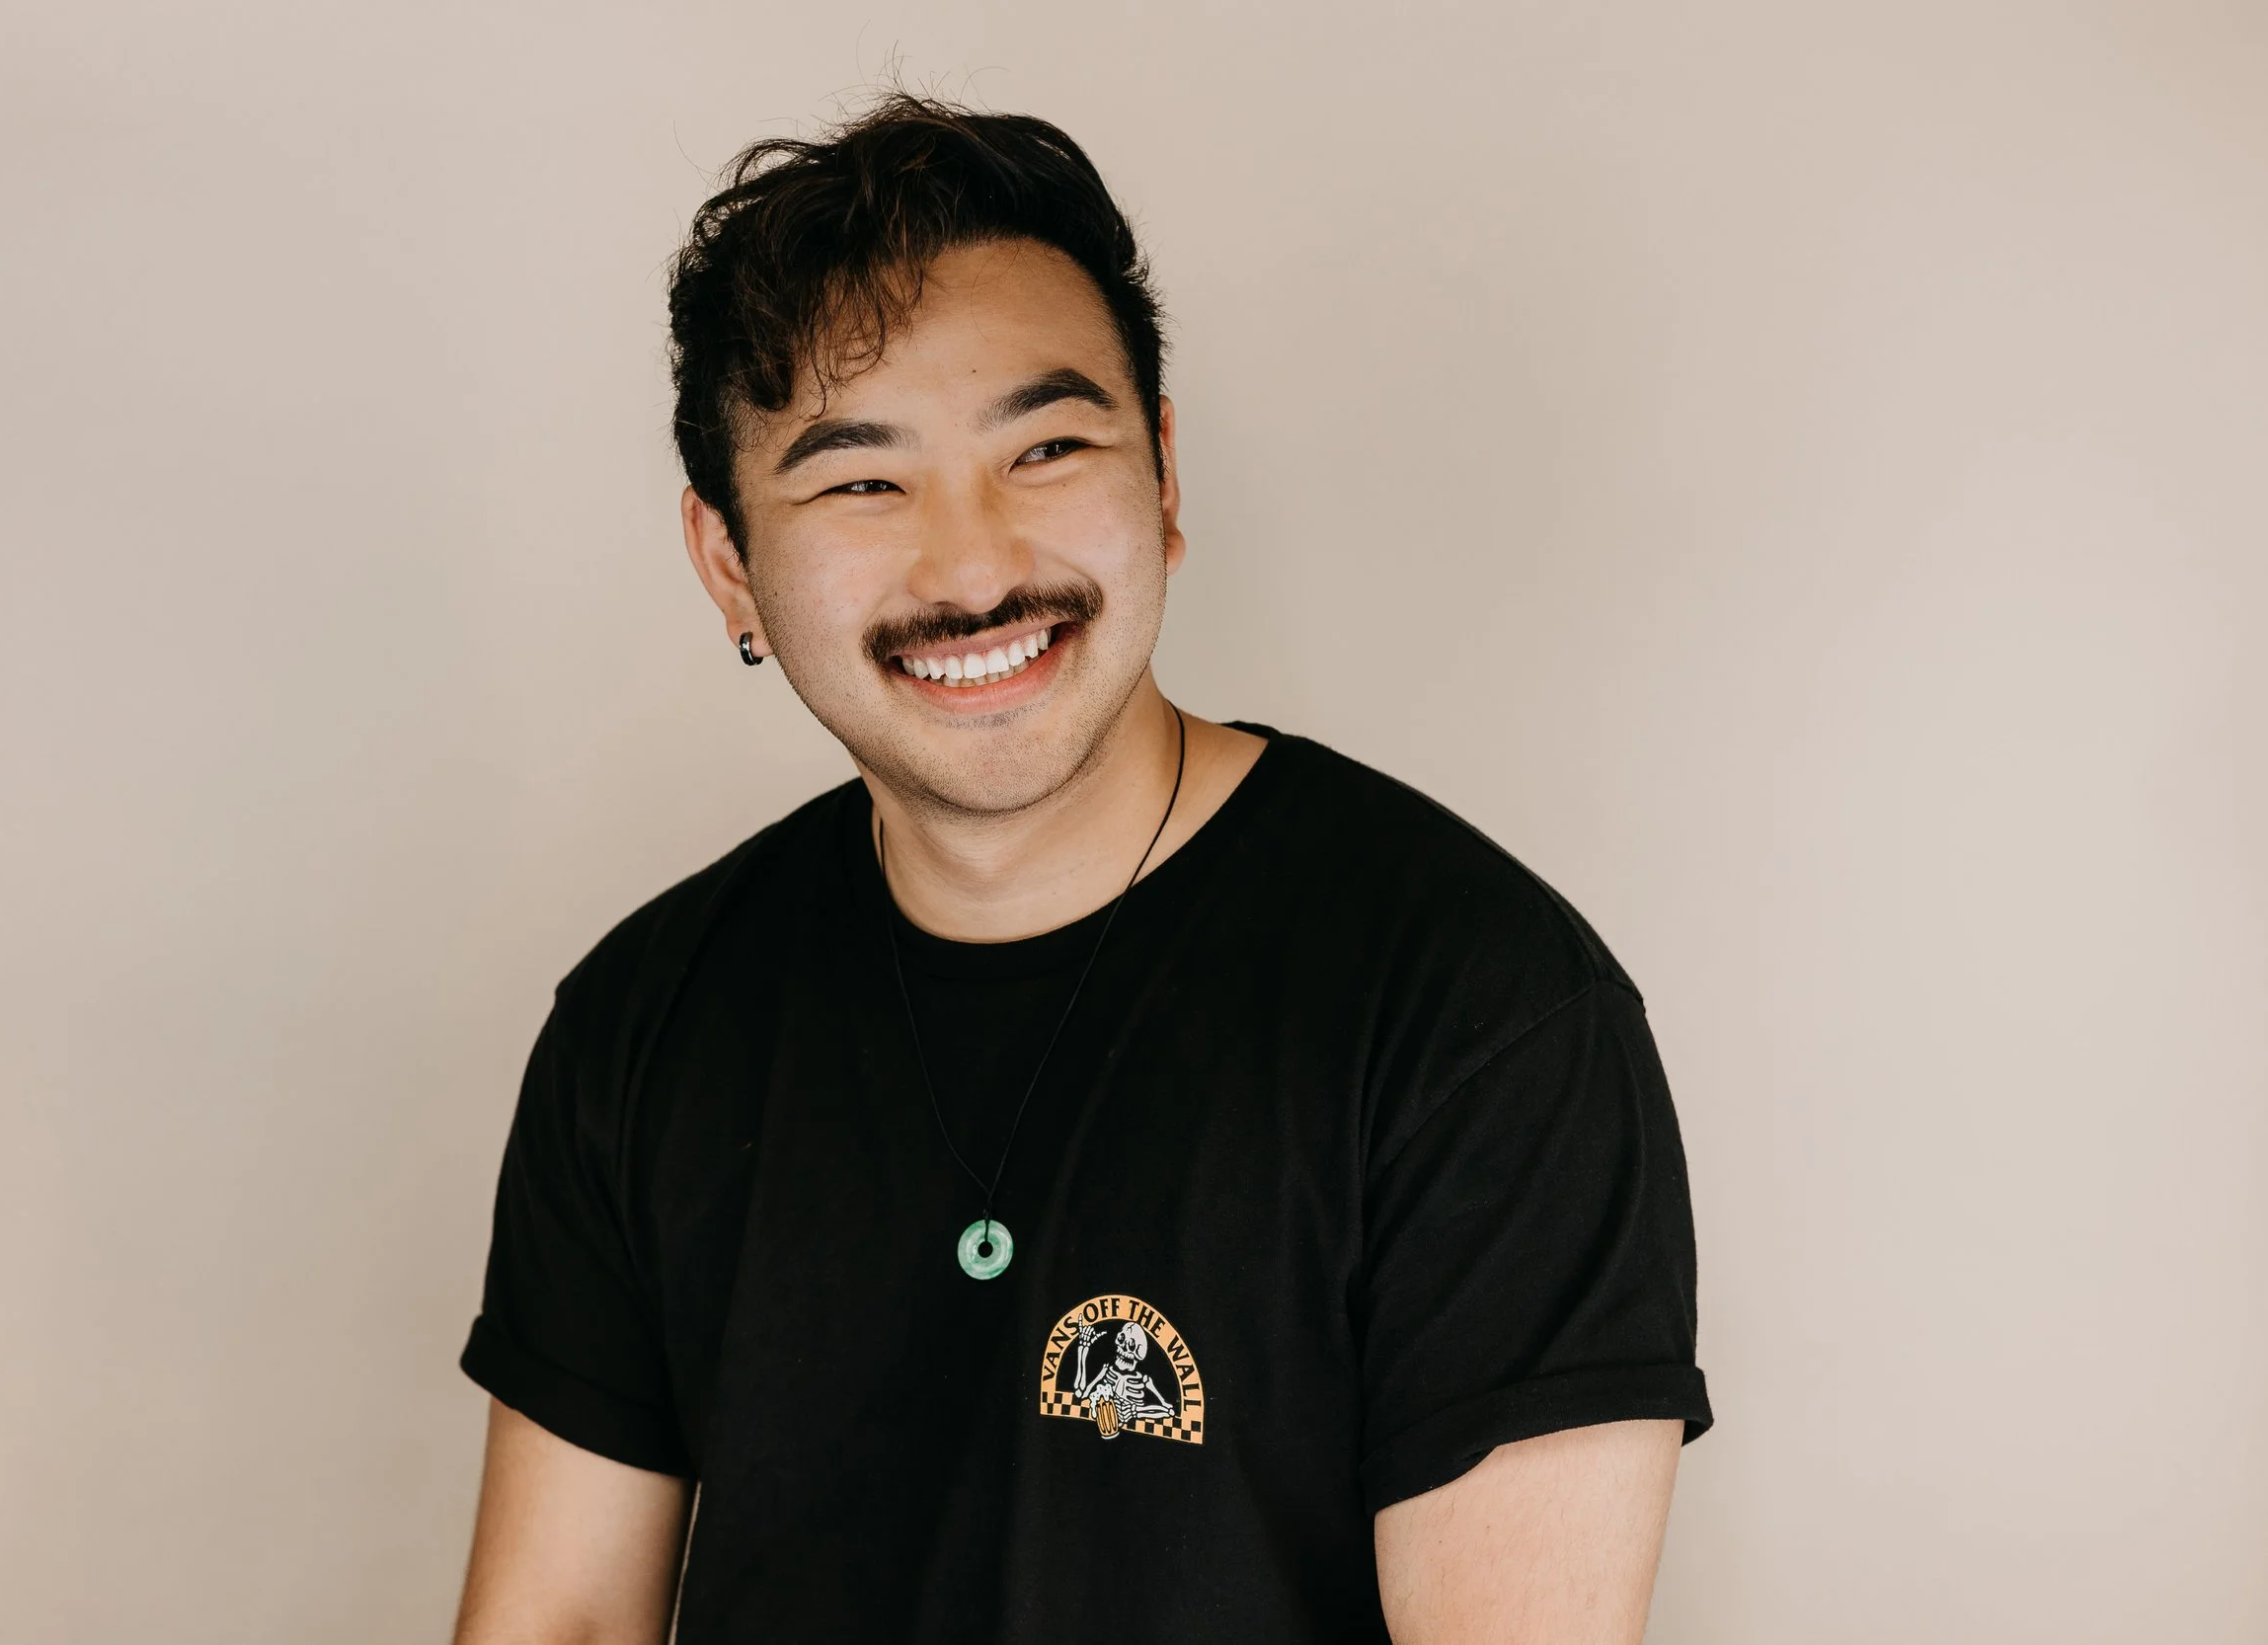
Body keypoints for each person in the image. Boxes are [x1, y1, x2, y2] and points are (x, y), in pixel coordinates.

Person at [449, 93, 1709, 1644]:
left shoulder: (1480, 1013)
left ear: (1163, 478)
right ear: (731, 564)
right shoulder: (644, 1024)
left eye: (1047, 445)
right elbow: (558, 1617)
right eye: (861, 480)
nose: (974, 567)